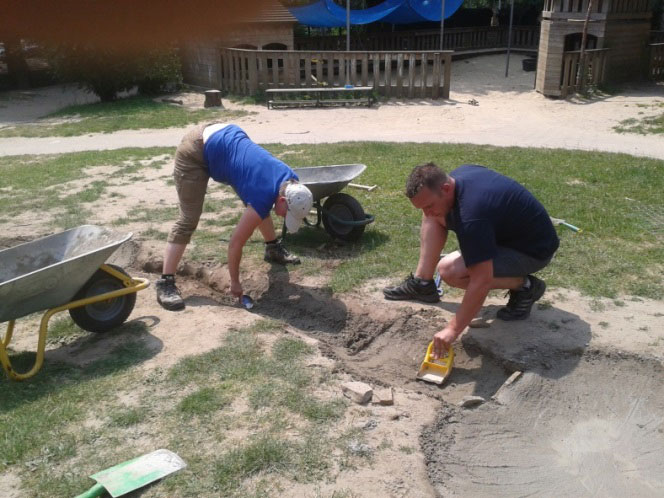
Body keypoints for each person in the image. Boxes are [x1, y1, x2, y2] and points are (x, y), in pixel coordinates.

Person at [383, 163, 559, 358]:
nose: (426, 212)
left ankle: (525, 286)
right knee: (435, 216)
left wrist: (452, 330)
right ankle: (422, 283)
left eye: (428, 205)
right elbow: (439, 210)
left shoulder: (472, 216)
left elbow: (481, 281)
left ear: (446, 188)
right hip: (506, 234)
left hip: (533, 251)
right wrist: (431, 209)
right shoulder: (456, 179)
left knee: (450, 271)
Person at [155, 123, 314, 311]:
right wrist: (235, 282)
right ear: (282, 199)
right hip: (196, 150)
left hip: (226, 140)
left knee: (258, 206)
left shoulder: (290, 179)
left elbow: (260, 205)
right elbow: (235, 243)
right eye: (286, 213)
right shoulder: (262, 194)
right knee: (188, 219)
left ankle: (272, 248)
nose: (283, 217)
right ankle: (166, 282)